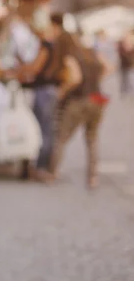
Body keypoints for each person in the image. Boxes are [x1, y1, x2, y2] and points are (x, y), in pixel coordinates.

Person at [10, 13, 71, 181]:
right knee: (47, 128)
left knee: (43, 129)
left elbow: (36, 67)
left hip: (45, 90)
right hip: (50, 89)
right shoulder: (59, 44)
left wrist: (20, 72)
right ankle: (43, 167)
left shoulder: (48, 45)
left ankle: (42, 168)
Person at [48, 35, 113, 188]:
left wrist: (62, 92)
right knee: (92, 139)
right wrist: (97, 81)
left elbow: (75, 78)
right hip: (96, 98)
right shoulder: (94, 53)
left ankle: (53, 171)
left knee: (62, 137)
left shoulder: (72, 56)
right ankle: (92, 177)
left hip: (79, 100)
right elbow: (110, 67)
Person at [118, 29, 134, 97]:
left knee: (130, 76)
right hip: (125, 64)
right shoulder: (121, 43)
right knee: (125, 77)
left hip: (129, 64)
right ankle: (125, 90)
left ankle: (128, 90)